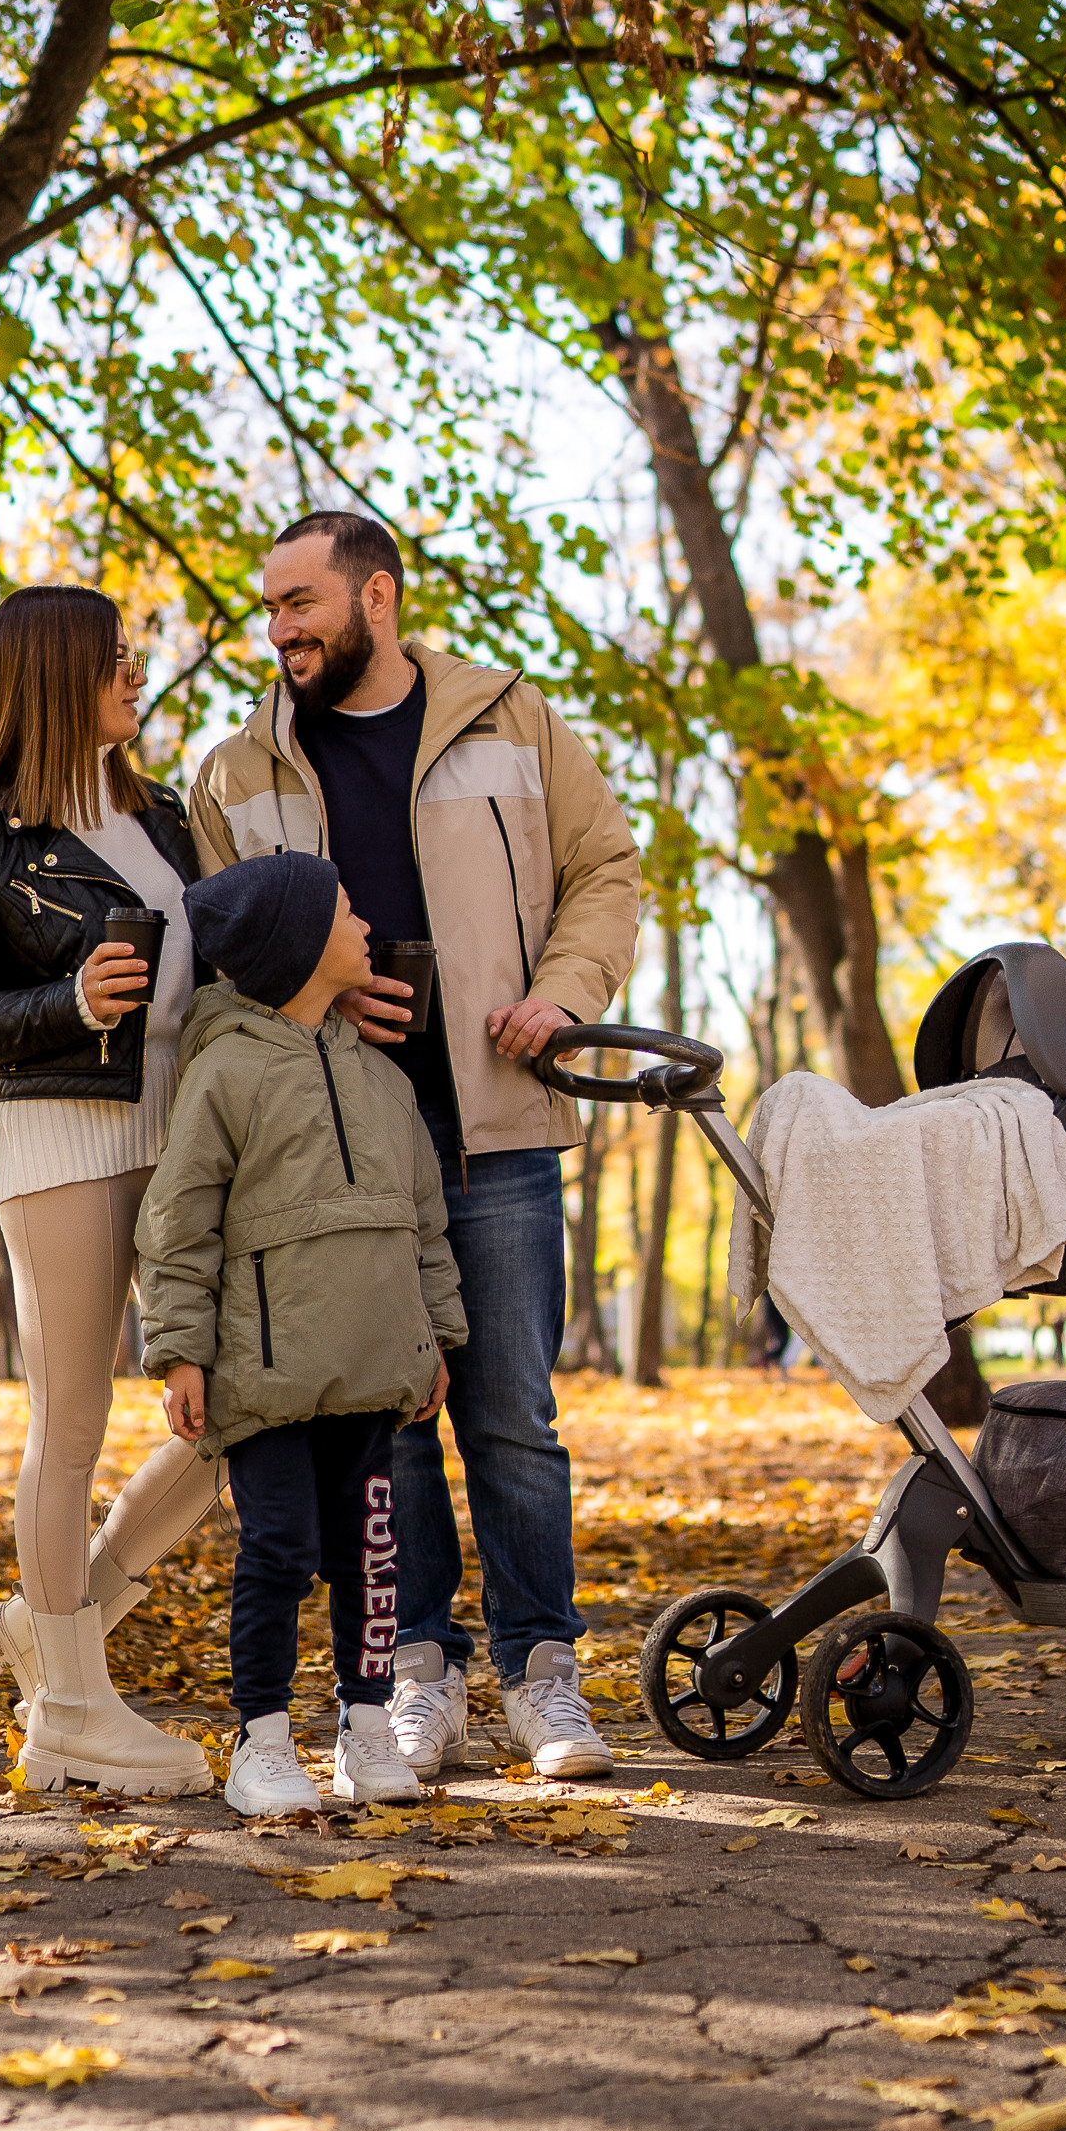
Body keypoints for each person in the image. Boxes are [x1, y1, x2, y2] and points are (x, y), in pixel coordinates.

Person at [189, 511, 640, 1781]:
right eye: (270, 609)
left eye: (299, 602)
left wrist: (565, 995)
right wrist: (320, 996)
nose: (278, 629)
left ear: (375, 597)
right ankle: (415, 1678)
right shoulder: (236, 775)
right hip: (332, 1150)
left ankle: (544, 1676)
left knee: (509, 1413)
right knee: (383, 1420)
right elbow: (224, 963)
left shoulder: (514, 719)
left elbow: (607, 868)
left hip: (494, 1120)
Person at [0, 584, 218, 1797]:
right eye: (117, 659)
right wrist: (67, 1005)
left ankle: (55, 1620)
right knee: (74, 1423)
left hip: (190, 1144)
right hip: (63, 1145)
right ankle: (73, 1713)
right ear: (56, 675)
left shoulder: (171, 818)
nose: (136, 675)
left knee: (244, 1405)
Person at [137, 853, 466, 1817]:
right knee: (278, 1550)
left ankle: (367, 1728)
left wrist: (434, 1334)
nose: (366, 924)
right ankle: (263, 1739)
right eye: (346, 910)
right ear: (299, 944)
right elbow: (179, 1221)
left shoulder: (384, 1081)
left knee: (373, 1550)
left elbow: (424, 1221)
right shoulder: (226, 1073)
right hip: (268, 1377)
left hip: (370, 1373)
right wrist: (182, 1349)